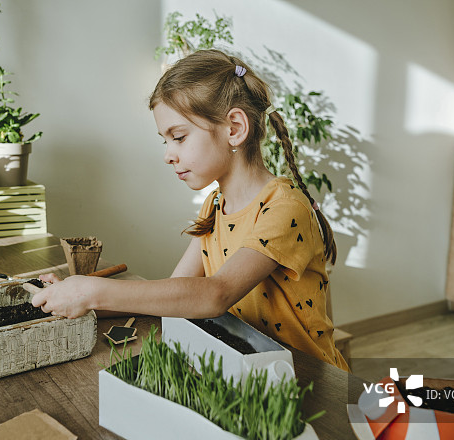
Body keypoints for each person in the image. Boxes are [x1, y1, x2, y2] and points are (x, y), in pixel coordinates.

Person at [32, 49, 348, 370]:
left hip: (309, 380)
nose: (168, 155)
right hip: (251, 369)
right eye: (165, 140)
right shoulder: (215, 206)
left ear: (234, 128)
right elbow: (175, 294)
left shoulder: (285, 207)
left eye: (179, 137)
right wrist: (77, 297)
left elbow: (215, 294)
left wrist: (93, 290)